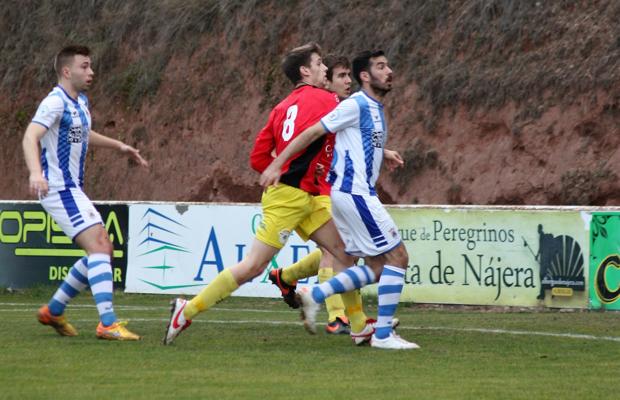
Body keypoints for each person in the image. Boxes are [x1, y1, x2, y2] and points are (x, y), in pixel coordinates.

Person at [163, 43, 365, 345]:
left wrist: (281, 167)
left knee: (346, 252)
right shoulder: (326, 99)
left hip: (304, 195)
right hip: (291, 198)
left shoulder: (281, 108)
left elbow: (258, 158)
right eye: (320, 63)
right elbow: (346, 132)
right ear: (305, 71)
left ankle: (360, 328)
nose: (325, 69)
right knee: (253, 267)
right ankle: (186, 310)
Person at [261, 50, 419, 350]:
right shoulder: (357, 104)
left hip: (353, 192)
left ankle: (315, 296)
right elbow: (313, 132)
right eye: (381, 67)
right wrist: (276, 163)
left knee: (375, 267)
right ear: (365, 75)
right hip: (354, 193)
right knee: (398, 257)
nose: (389, 72)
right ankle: (383, 335)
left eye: (388, 66)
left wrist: (384, 154)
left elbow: (356, 143)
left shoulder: (373, 108)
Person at [23, 45, 148, 341]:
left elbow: (82, 133)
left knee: (101, 250)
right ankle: (107, 323)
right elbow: (31, 135)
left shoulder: (79, 102)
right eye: (85, 66)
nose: (91, 72)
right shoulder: (55, 102)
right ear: (67, 71)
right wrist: (35, 173)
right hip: (59, 188)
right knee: (101, 246)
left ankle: (54, 310)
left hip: (71, 188)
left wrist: (120, 146)